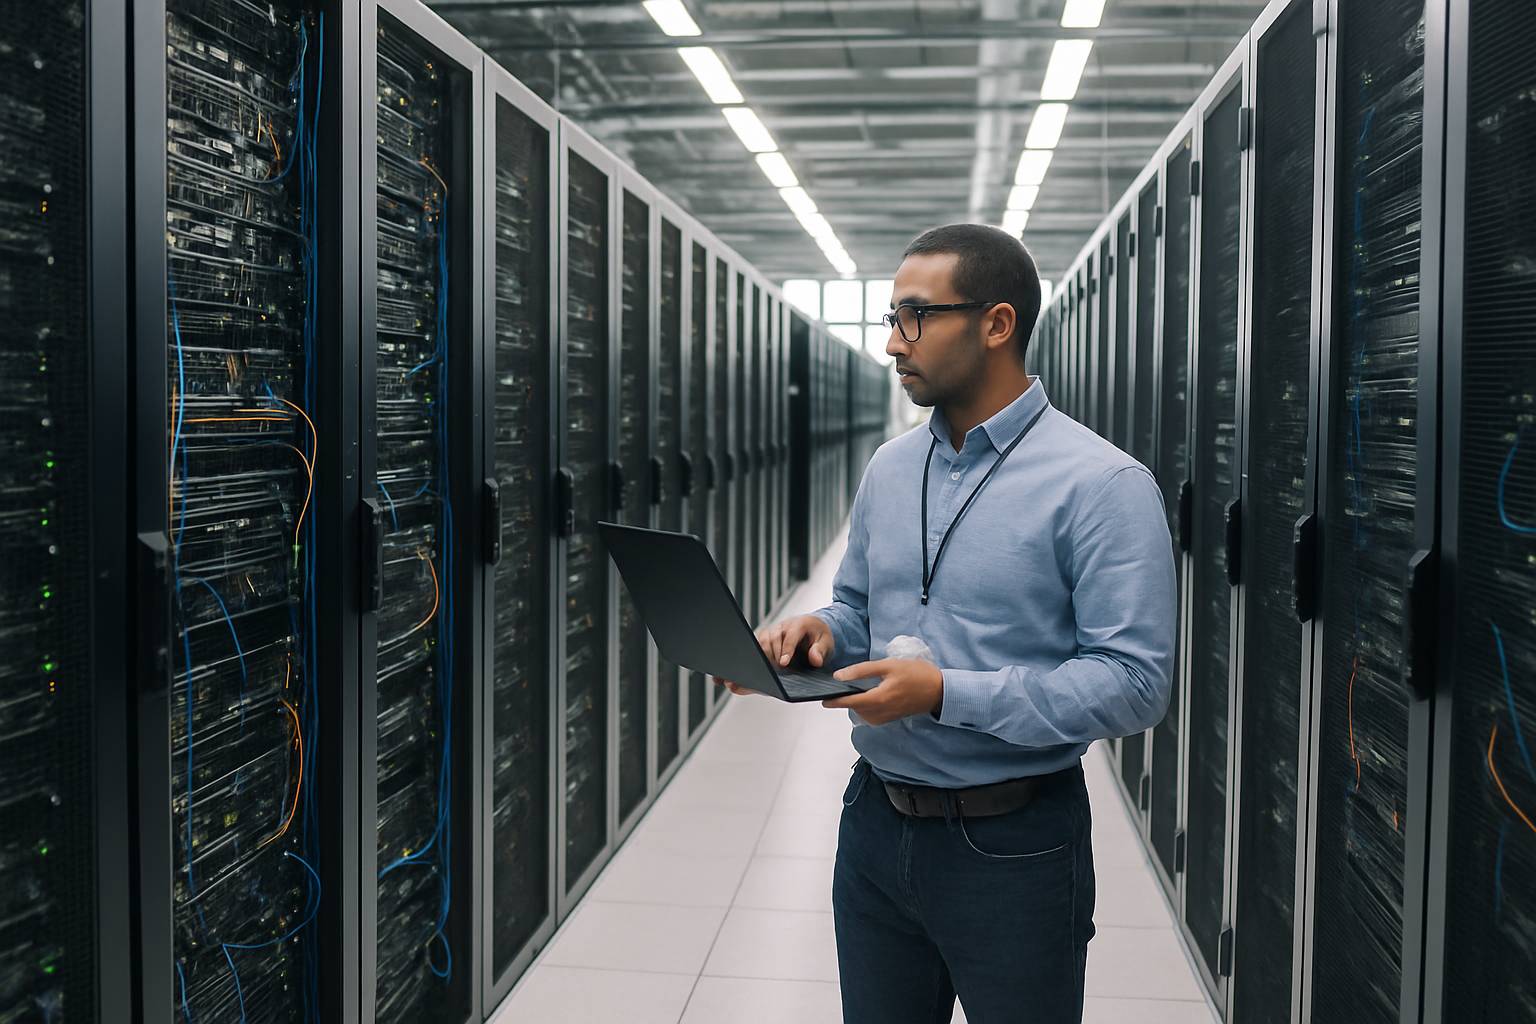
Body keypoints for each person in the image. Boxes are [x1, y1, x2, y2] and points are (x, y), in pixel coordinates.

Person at [716, 224, 1176, 1024]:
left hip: (1015, 844)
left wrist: (944, 695)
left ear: (996, 325)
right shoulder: (891, 469)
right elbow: (857, 605)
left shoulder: (1102, 485)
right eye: (891, 319)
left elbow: (1134, 685)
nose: (895, 343)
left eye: (914, 317)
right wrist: (819, 632)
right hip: (875, 825)